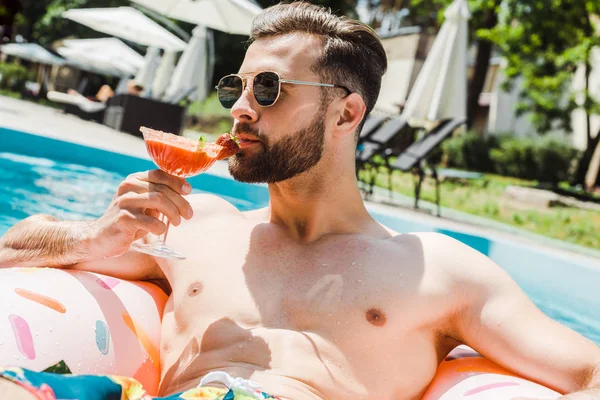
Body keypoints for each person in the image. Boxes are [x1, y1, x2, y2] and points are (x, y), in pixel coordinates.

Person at [1, 3, 599, 400]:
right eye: (236, 85)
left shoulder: (438, 270)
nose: (240, 106)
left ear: (346, 112)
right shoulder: (194, 226)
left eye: (269, 87)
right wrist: (90, 241)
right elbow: (10, 250)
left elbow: (589, 374)